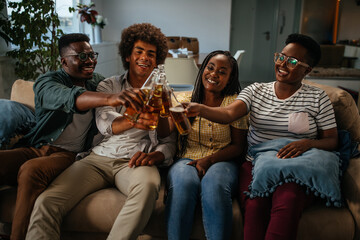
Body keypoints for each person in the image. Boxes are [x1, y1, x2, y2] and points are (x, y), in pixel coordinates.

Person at [26, 23, 176, 240]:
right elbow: (106, 124)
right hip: (99, 159)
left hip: (134, 161)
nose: (145, 57)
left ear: (157, 60)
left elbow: (168, 139)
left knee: (148, 188)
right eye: (139, 52)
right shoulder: (108, 85)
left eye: (151, 54)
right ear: (127, 56)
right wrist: (134, 119)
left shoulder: (165, 91)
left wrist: (157, 154)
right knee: (48, 202)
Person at [185, 33, 339, 240]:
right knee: (255, 204)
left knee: (288, 199)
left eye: (292, 61)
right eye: (281, 57)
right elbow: (229, 113)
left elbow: (332, 140)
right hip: (257, 165)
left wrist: (306, 144)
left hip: (297, 165)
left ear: (307, 70)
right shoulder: (256, 90)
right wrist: (200, 109)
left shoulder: (317, 97)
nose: (282, 64)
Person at [0, 33, 144, 240]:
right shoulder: (47, 82)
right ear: (64, 61)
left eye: (92, 55)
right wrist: (111, 98)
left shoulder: (98, 83)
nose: (90, 61)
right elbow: (71, 98)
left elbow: (118, 101)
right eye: (82, 57)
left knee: (31, 170)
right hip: (36, 147)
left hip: (69, 156)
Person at [165, 50, 248, 239]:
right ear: (202, 69)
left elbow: (238, 146)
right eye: (210, 68)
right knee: (183, 182)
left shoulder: (235, 103)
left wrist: (209, 160)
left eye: (222, 71)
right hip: (186, 157)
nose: (213, 74)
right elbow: (164, 132)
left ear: (230, 78)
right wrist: (165, 107)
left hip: (222, 160)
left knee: (214, 184)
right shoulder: (183, 100)